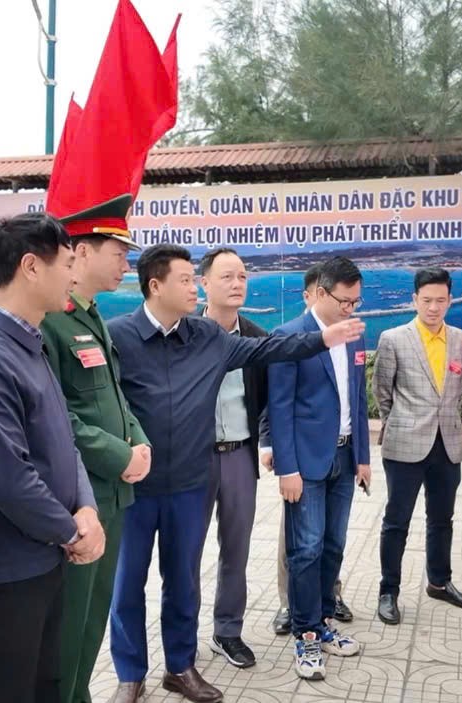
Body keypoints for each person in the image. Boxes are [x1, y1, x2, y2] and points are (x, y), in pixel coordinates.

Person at [107, 244, 364, 703]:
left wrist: (323, 338)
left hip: (189, 481)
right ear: (155, 286)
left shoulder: (206, 336)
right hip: (135, 485)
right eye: (186, 280)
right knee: (127, 581)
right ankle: (130, 674)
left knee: (182, 580)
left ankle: (180, 667)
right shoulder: (118, 337)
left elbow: (270, 348)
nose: (193, 287)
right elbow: (102, 403)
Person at [0, 212, 104, 703]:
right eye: (68, 263)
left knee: (44, 687)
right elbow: (9, 480)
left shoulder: (28, 343)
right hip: (3, 571)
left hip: (43, 557)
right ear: (31, 267)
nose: (74, 276)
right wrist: (72, 531)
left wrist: (87, 507)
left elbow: (63, 441)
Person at [40, 195, 152, 703]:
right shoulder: (51, 321)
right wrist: (117, 454)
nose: (125, 263)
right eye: (118, 253)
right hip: (81, 495)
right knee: (69, 627)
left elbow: (113, 395)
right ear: (81, 252)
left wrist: (139, 440)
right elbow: (54, 413)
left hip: (114, 495)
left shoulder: (91, 316)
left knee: (92, 623)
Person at [267, 255, 372, 681]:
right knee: (305, 550)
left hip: (344, 459)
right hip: (305, 465)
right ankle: (306, 634)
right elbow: (280, 407)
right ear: (321, 293)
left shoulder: (355, 336)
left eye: (356, 302)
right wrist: (286, 469)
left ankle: (325, 621)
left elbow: (359, 400)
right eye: (345, 301)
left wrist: (363, 457)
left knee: (333, 545)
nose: (350, 309)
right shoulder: (289, 337)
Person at [372, 267, 462, 625]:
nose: (433, 308)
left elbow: (459, 390)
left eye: (440, 300)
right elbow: (382, 391)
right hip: (405, 444)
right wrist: (400, 421)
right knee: (396, 521)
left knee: (442, 518)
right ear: (414, 299)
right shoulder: (393, 339)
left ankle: (439, 581)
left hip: (447, 443)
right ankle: (389, 591)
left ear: (450, 300)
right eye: (427, 300)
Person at [195, 248, 272, 668]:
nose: (237, 283)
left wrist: (267, 442)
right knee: (186, 550)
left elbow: (269, 400)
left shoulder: (257, 337)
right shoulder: (185, 334)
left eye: (242, 276)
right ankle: (180, 638)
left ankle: (227, 631)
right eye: (227, 276)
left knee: (236, 548)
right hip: (193, 458)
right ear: (204, 283)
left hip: (240, 454)